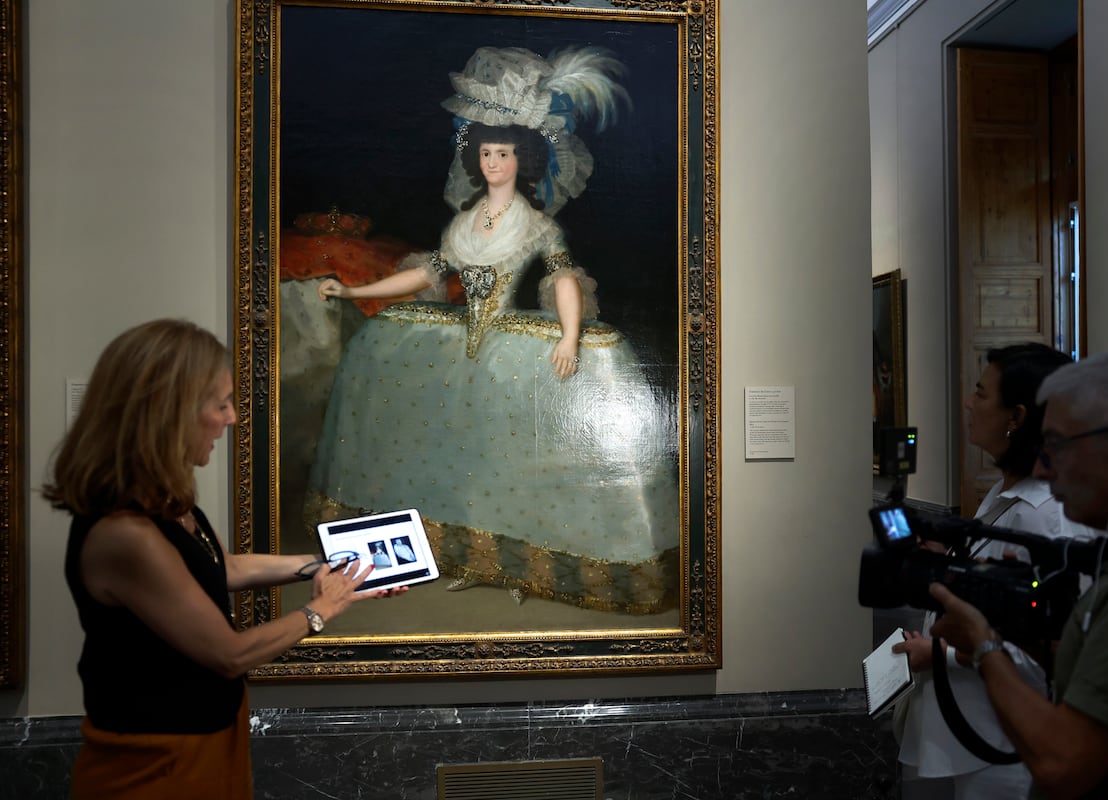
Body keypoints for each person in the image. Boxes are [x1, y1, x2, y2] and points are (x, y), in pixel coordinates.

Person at [308, 46, 680, 613]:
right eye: (485, 152)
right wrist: (354, 290)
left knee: (516, 448)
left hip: (508, 345)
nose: (493, 163)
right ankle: (453, 551)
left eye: (503, 153)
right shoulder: (463, 221)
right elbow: (423, 275)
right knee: (408, 385)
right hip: (454, 344)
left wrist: (571, 336)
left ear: (523, 159)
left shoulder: (535, 223)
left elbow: (561, 279)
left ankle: (517, 561)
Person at [44, 318, 405, 799]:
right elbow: (229, 654)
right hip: (156, 764)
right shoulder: (124, 534)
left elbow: (224, 567)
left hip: (203, 740)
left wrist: (319, 565)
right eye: (220, 404)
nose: (232, 417)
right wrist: (320, 611)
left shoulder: (163, 502)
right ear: (169, 413)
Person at [929, 349, 1108, 798]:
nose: (1041, 467)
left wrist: (984, 645)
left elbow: (1063, 762)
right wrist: (1026, 635)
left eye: (1057, 447)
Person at [893, 343, 1099, 800]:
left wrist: (940, 653)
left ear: (1017, 417)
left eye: (982, 394)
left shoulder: (1049, 520)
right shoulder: (1005, 493)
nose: (969, 402)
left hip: (1001, 746)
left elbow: (1053, 654)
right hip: (966, 733)